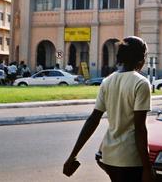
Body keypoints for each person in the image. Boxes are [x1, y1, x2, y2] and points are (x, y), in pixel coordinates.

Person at [63, 36, 153, 182]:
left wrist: (73, 155)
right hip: (131, 159)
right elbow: (140, 128)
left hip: (109, 157)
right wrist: (148, 168)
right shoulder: (141, 83)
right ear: (140, 58)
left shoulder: (107, 81)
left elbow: (93, 119)